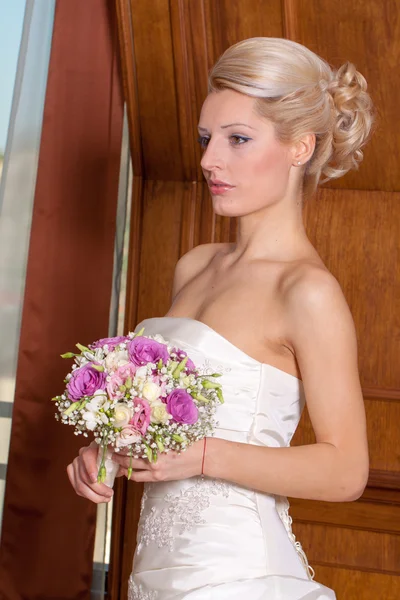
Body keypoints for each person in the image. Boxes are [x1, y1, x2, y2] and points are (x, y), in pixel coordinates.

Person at [67, 37, 374, 599]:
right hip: (155, 571)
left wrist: (204, 456)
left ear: (301, 147)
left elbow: (346, 470)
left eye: (238, 140)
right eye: (208, 139)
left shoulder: (307, 291)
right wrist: (110, 451)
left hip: (239, 576)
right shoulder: (195, 265)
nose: (210, 160)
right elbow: (173, 424)